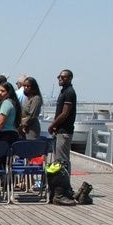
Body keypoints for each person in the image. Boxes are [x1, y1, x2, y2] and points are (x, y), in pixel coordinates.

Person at [0, 80, 21, 201]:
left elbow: (1, 121)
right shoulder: (14, 103)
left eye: (3, 91)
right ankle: (9, 190)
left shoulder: (6, 103)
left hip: (3, 135)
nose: (0, 93)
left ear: (8, 91)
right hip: (12, 134)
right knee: (8, 164)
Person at [48, 69, 77, 205]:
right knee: (59, 160)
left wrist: (52, 125)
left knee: (63, 161)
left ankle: (65, 189)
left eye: (63, 77)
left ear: (70, 78)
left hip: (65, 131)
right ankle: (60, 188)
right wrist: (55, 127)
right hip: (60, 130)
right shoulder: (63, 92)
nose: (60, 79)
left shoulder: (69, 93)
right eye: (59, 76)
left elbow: (64, 114)